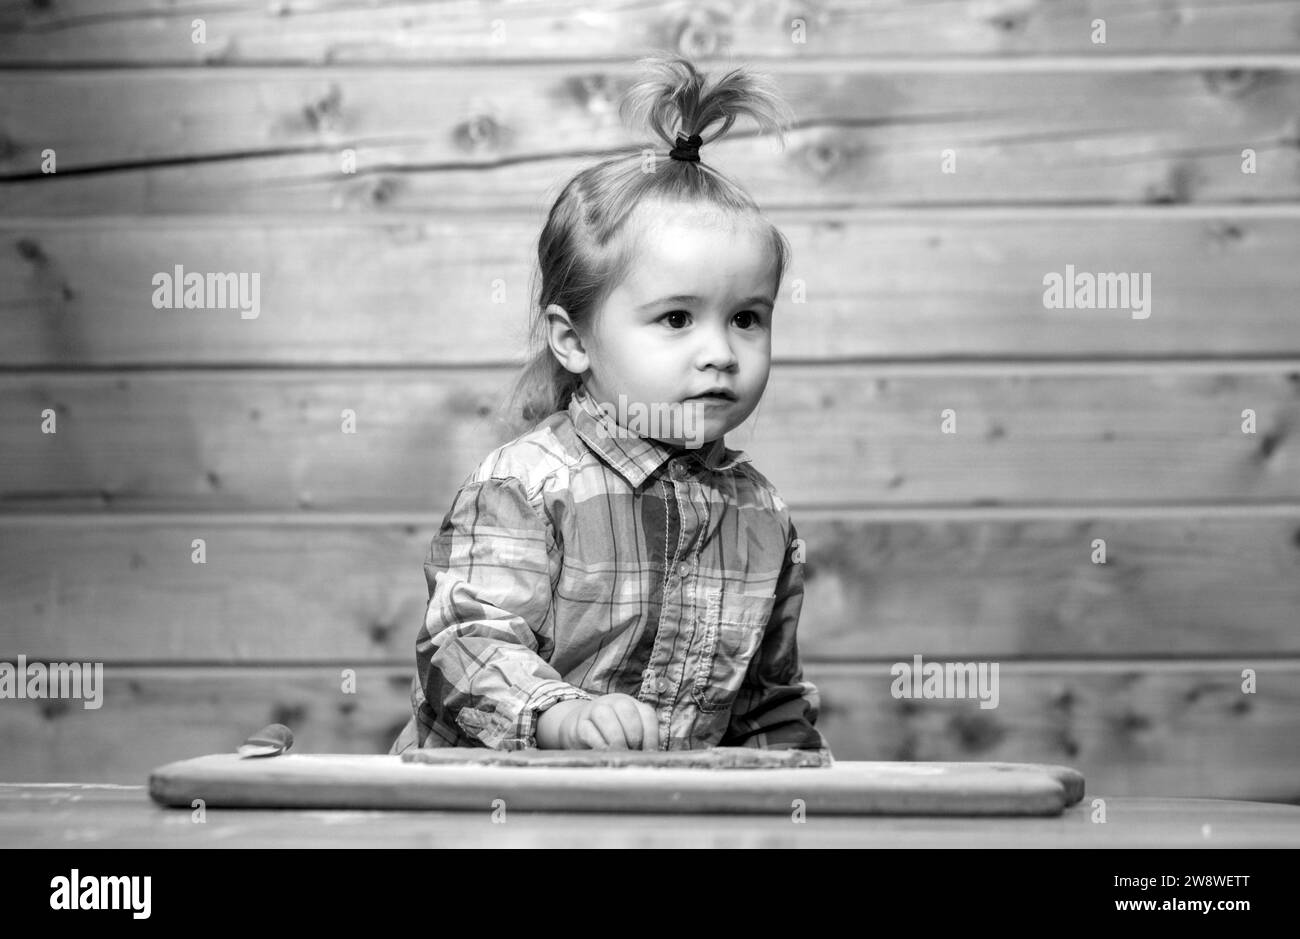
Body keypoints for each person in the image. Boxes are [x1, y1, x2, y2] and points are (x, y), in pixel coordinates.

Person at [390, 53, 829, 755]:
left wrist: (802, 783)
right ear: (573, 341)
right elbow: (466, 642)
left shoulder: (762, 517)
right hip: (491, 814)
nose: (720, 351)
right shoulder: (526, 485)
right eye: (677, 319)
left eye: (747, 318)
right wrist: (561, 714)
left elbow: (768, 704)